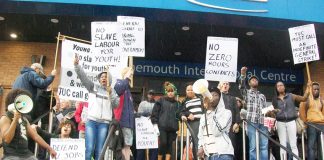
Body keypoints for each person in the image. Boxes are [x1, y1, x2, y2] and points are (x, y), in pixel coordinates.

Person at [74, 55, 120, 160]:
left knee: (100, 150)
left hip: (104, 124)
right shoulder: (92, 87)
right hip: (91, 122)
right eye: (102, 77)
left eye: (106, 76)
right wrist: (77, 65)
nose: (104, 78)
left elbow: (116, 105)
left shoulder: (112, 91)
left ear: (110, 80)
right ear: (99, 79)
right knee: (89, 148)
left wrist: (111, 93)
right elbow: (83, 77)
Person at [0, 89, 57, 160]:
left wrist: (49, 148)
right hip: (11, 155)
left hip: (26, 155)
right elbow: (7, 139)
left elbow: (35, 136)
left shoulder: (24, 119)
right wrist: (15, 121)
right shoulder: (5, 118)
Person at [272, 81, 310, 160]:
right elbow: (273, 113)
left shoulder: (291, 96)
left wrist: (308, 88)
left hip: (291, 121)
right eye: (278, 86)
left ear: (284, 87)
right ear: (276, 88)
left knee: (293, 144)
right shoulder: (274, 99)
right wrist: (273, 112)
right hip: (280, 122)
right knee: (282, 144)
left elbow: (304, 98)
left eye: (281, 85)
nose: (280, 87)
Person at [239, 66, 268, 160]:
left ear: (258, 83)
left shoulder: (262, 96)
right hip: (251, 122)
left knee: (264, 146)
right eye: (252, 80)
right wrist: (243, 75)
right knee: (253, 146)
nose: (254, 80)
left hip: (263, 122)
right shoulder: (246, 93)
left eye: (256, 80)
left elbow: (264, 110)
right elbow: (241, 86)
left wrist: (270, 113)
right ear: (249, 83)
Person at [197, 87, 234, 160]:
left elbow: (217, 132)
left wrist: (210, 109)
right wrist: (200, 147)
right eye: (210, 95)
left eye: (215, 95)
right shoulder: (203, 116)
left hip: (223, 154)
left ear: (220, 99)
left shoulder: (226, 113)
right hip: (208, 156)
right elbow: (201, 135)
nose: (212, 97)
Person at [151, 81, 179, 160]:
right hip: (162, 127)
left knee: (169, 145)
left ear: (175, 92)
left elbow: (181, 113)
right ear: (166, 92)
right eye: (168, 91)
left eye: (172, 91)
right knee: (163, 143)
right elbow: (154, 113)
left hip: (173, 128)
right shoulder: (160, 101)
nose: (170, 93)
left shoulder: (177, 103)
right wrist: (155, 124)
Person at [114, 67, 135, 160]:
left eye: (131, 75)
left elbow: (131, 110)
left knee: (127, 145)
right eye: (130, 74)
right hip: (122, 121)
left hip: (129, 123)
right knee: (123, 145)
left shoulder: (128, 91)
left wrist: (144, 114)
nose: (131, 76)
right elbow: (118, 89)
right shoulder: (119, 84)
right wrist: (126, 77)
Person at [299, 82, 324, 160]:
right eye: (314, 89)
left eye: (317, 89)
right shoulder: (307, 100)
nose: (316, 90)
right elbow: (302, 110)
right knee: (311, 146)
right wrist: (305, 122)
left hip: (321, 125)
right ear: (311, 90)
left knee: (322, 146)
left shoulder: (321, 100)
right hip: (311, 124)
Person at [178, 82, 204, 158]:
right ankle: (197, 158)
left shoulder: (201, 98)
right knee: (196, 142)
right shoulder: (185, 101)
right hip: (194, 123)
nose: (190, 91)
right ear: (185, 91)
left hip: (204, 121)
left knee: (205, 141)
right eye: (188, 90)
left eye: (191, 90)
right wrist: (187, 114)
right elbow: (180, 112)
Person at [217, 81, 240, 160]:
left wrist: (237, 123)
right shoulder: (217, 96)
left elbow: (237, 111)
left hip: (231, 125)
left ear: (229, 87)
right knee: (220, 146)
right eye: (223, 84)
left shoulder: (233, 98)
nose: (225, 85)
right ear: (220, 86)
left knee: (232, 145)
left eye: (227, 84)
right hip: (219, 125)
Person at [136, 89, 158, 160]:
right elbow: (138, 114)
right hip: (143, 129)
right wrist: (144, 114)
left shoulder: (157, 104)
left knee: (154, 147)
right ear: (147, 95)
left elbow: (159, 114)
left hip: (153, 127)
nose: (151, 95)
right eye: (149, 94)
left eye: (152, 94)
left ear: (154, 95)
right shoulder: (142, 103)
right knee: (141, 148)